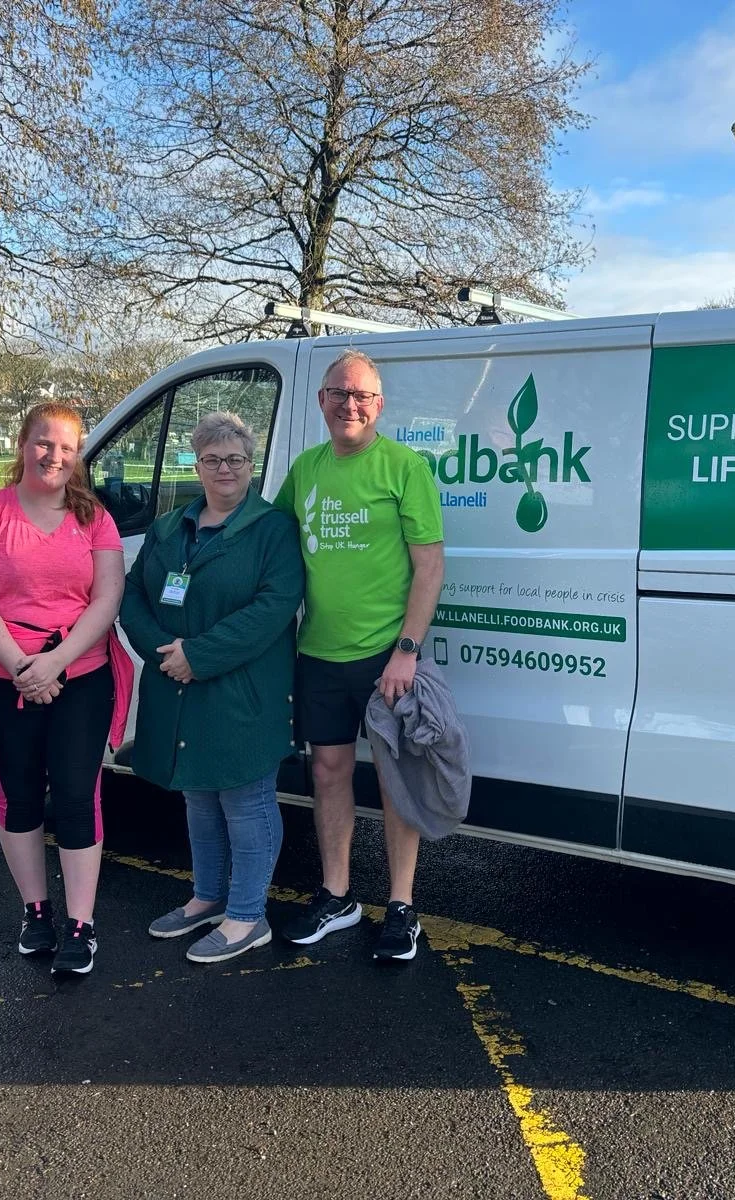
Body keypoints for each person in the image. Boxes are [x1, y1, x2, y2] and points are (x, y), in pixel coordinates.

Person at [274, 349, 445, 961]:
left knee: (397, 782)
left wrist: (407, 651)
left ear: (380, 404)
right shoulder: (306, 468)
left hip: (386, 658)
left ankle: (402, 906)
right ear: (321, 401)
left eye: (364, 396)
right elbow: (274, 544)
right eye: (339, 394)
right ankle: (338, 895)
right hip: (318, 652)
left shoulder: (403, 468)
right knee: (328, 773)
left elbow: (430, 566)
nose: (351, 405)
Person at [120, 412, 303, 964]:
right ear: (195, 464)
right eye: (212, 459)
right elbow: (133, 596)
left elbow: (273, 607)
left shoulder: (273, 529)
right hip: (179, 685)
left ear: (252, 465)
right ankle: (208, 896)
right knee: (199, 797)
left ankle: (248, 915)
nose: (225, 469)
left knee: (246, 801)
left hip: (242, 688)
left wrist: (197, 656)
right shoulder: (170, 527)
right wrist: (165, 652)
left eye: (237, 460)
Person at [0, 403, 125, 975]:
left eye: (67, 448)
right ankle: (36, 911)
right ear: (22, 444)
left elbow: (106, 600)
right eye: (44, 444)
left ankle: (81, 923)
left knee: (77, 795)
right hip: (9, 675)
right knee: (19, 797)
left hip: (80, 675)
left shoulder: (93, 517)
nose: (54, 456)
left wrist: (56, 663)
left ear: (78, 456)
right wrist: (23, 665)